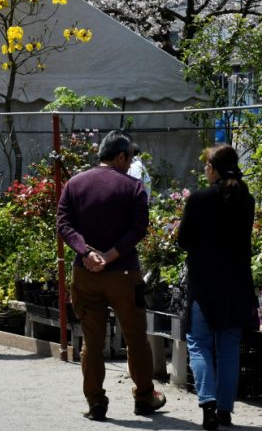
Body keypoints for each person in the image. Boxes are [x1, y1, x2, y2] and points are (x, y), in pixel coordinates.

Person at [57, 130, 166, 421]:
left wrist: (86, 252)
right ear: (120, 156)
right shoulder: (133, 187)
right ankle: (144, 398)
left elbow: (64, 222)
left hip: (86, 274)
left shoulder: (75, 184)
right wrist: (110, 255)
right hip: (124, 274)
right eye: (130, 158)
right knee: (135, 338)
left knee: (91, 342)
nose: (131, 164)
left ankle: (96, 403)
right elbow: (139, 229)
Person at [178, 144, 257, 430]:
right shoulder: (246, 199)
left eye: (206, 165)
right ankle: (225, 410)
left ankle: (208, 404)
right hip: (236, 282)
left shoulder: (199, 199)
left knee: (198, 343)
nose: (204, 169)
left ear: (213, 169)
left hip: (205, 282)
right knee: (228, 346)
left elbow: (183, 240)